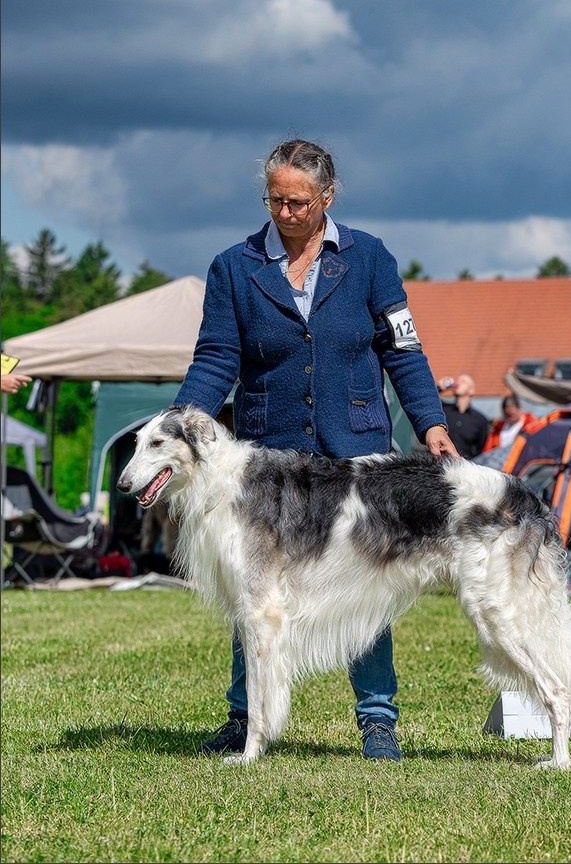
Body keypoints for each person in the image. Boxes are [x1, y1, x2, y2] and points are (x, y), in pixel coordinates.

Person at [173, 138, 458, 761]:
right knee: (255, 590)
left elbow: (401, 350)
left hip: (355, 452)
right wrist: (183, 416)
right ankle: (246, 715)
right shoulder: (233, 266)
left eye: (299, 201)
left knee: (370, 587)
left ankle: (377, 719)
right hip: (269, 457)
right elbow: (219, 355)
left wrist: (431, 424)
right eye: (276, 200)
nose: (286, 212)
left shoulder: (371, 258)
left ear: (327, 197)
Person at [436, 374, 489, 460]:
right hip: (440, 464)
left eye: (463, 381)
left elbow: (480, 449)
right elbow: (427, 400)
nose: (458, 382)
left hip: (464, 467)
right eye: (458, 380)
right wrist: (440, 387)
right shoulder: (443, 410)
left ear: (471, 391)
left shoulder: (480, 420)